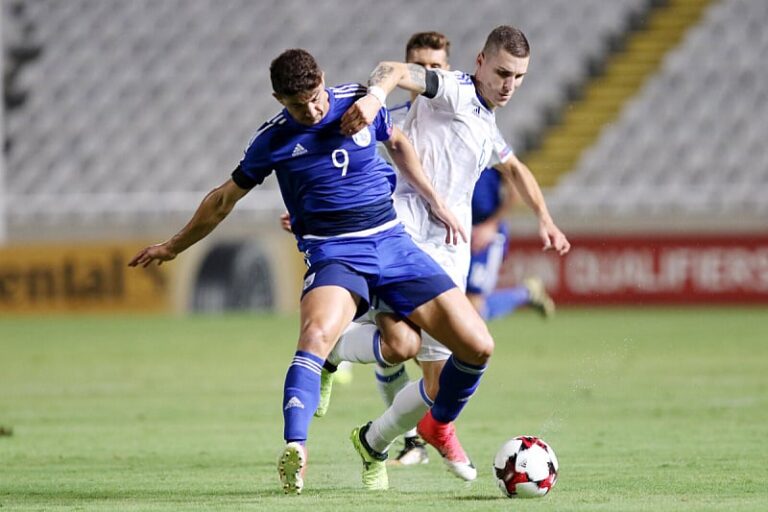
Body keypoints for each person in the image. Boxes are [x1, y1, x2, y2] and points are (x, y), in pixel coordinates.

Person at [128, 48, 497, 495]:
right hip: (336, 254)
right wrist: (173, 246)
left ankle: (434, 425)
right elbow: (223, 199)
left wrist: (433, 199)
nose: (313, 110)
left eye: (317, 98)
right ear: (278, 99)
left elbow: (397, 141)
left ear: (323, 79)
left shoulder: (359, 102)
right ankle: (296, 449)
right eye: (298, 105)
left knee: (476, 346)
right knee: (314, 339)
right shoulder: (273, 140)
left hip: (394, 245)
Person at [324, 26, 570, 490]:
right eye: (501, 72)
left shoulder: (486, 123)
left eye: (518, 77)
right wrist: (376, 96)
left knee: (437, 386)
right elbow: (393, 70)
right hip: (406, 239)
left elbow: (515, 167)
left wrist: (545, 218)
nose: (508, 84)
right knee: (402, 345)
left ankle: (373, 441)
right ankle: (332, 349)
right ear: (479, 62)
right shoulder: (453, 89)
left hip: (448, 254)